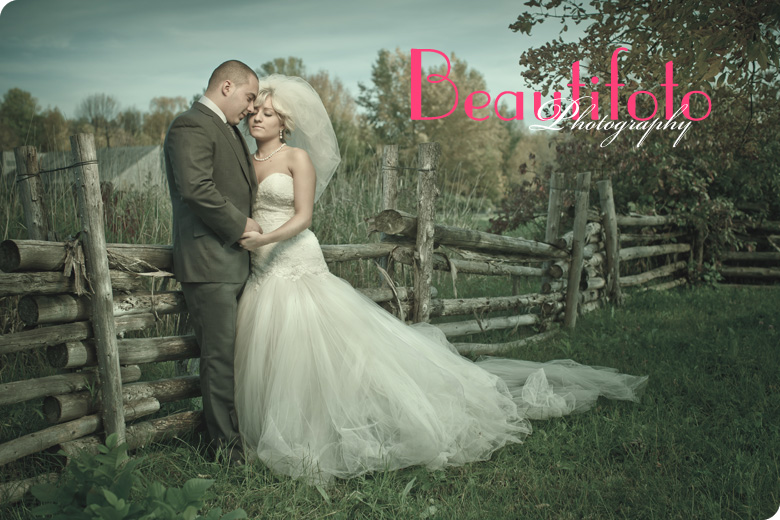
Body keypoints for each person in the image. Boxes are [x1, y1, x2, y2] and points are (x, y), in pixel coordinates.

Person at [234, 74, 648, 485]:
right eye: (256, 112)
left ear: (285, 123)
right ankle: (282, 426)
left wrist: (263, 238)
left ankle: (335, 425)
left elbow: (304, 217)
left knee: (316, 342)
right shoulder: (244, 158)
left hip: (293, 257)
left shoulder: (296, 159)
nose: (259, 119)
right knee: (273, 346)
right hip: (261, 267)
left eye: (269, 114)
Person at [164, 60, 260, 465]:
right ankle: (227, 454)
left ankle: (240, 438)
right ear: (226, 86)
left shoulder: (228, 129)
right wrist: (240, 226)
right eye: (249, 96)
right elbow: (195, 188)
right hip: (209, 263)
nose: (253, 107)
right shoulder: (191, 125)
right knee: (218, 359)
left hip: (233, 262)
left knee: (235, 357)